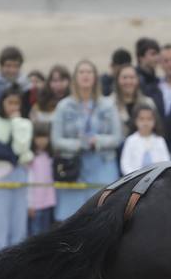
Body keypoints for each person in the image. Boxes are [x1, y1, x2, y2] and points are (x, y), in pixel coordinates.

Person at [52, 60, 122, 221]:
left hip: (103, 166)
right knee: (72, 220)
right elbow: (56, 140)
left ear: (95, 77)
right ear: (75, 78)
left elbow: (117, 137)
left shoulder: (108, 105)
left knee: (102, 217)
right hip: (74, 169)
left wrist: (96, 141)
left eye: (89, 72)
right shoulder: (64, 106)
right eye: (81, 72)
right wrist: (78, 144)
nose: (85, 75)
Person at [0, 88, 34, 253]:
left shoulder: (24, 123)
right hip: (0, 175)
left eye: (16, 103)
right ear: (2, 103)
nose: (13, 106)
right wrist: (17, 156)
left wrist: (16, 122)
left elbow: (21, 147)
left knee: (18, 223)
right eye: (10, 102)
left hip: (20, 174)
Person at [120, 102, 170, 175]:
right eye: (141, 119)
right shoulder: (131, 140)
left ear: (154, 121)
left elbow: (166, 161)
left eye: (149, 119)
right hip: (134, 179)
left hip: (156, 178)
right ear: (135, 121)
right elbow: (125, 163)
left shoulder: (159, 140)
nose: (145, 123)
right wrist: (133, 177)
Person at [27, 123, 57, 236]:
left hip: (49, 203)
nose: (41, 140)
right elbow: (29, 182)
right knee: (35, 235)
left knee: (46, 235)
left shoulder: (50, 156)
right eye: (38, 137)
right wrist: (30, 204)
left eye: (44, 137)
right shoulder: (31, 157)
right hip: (36, 205)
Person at [112, 64, 157, 136]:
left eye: (132, 77)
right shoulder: (109, 103)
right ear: (117, 80)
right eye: (124, 78)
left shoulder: (148, 103)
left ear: (137, 80)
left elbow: (155, 129)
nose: (128, 81)